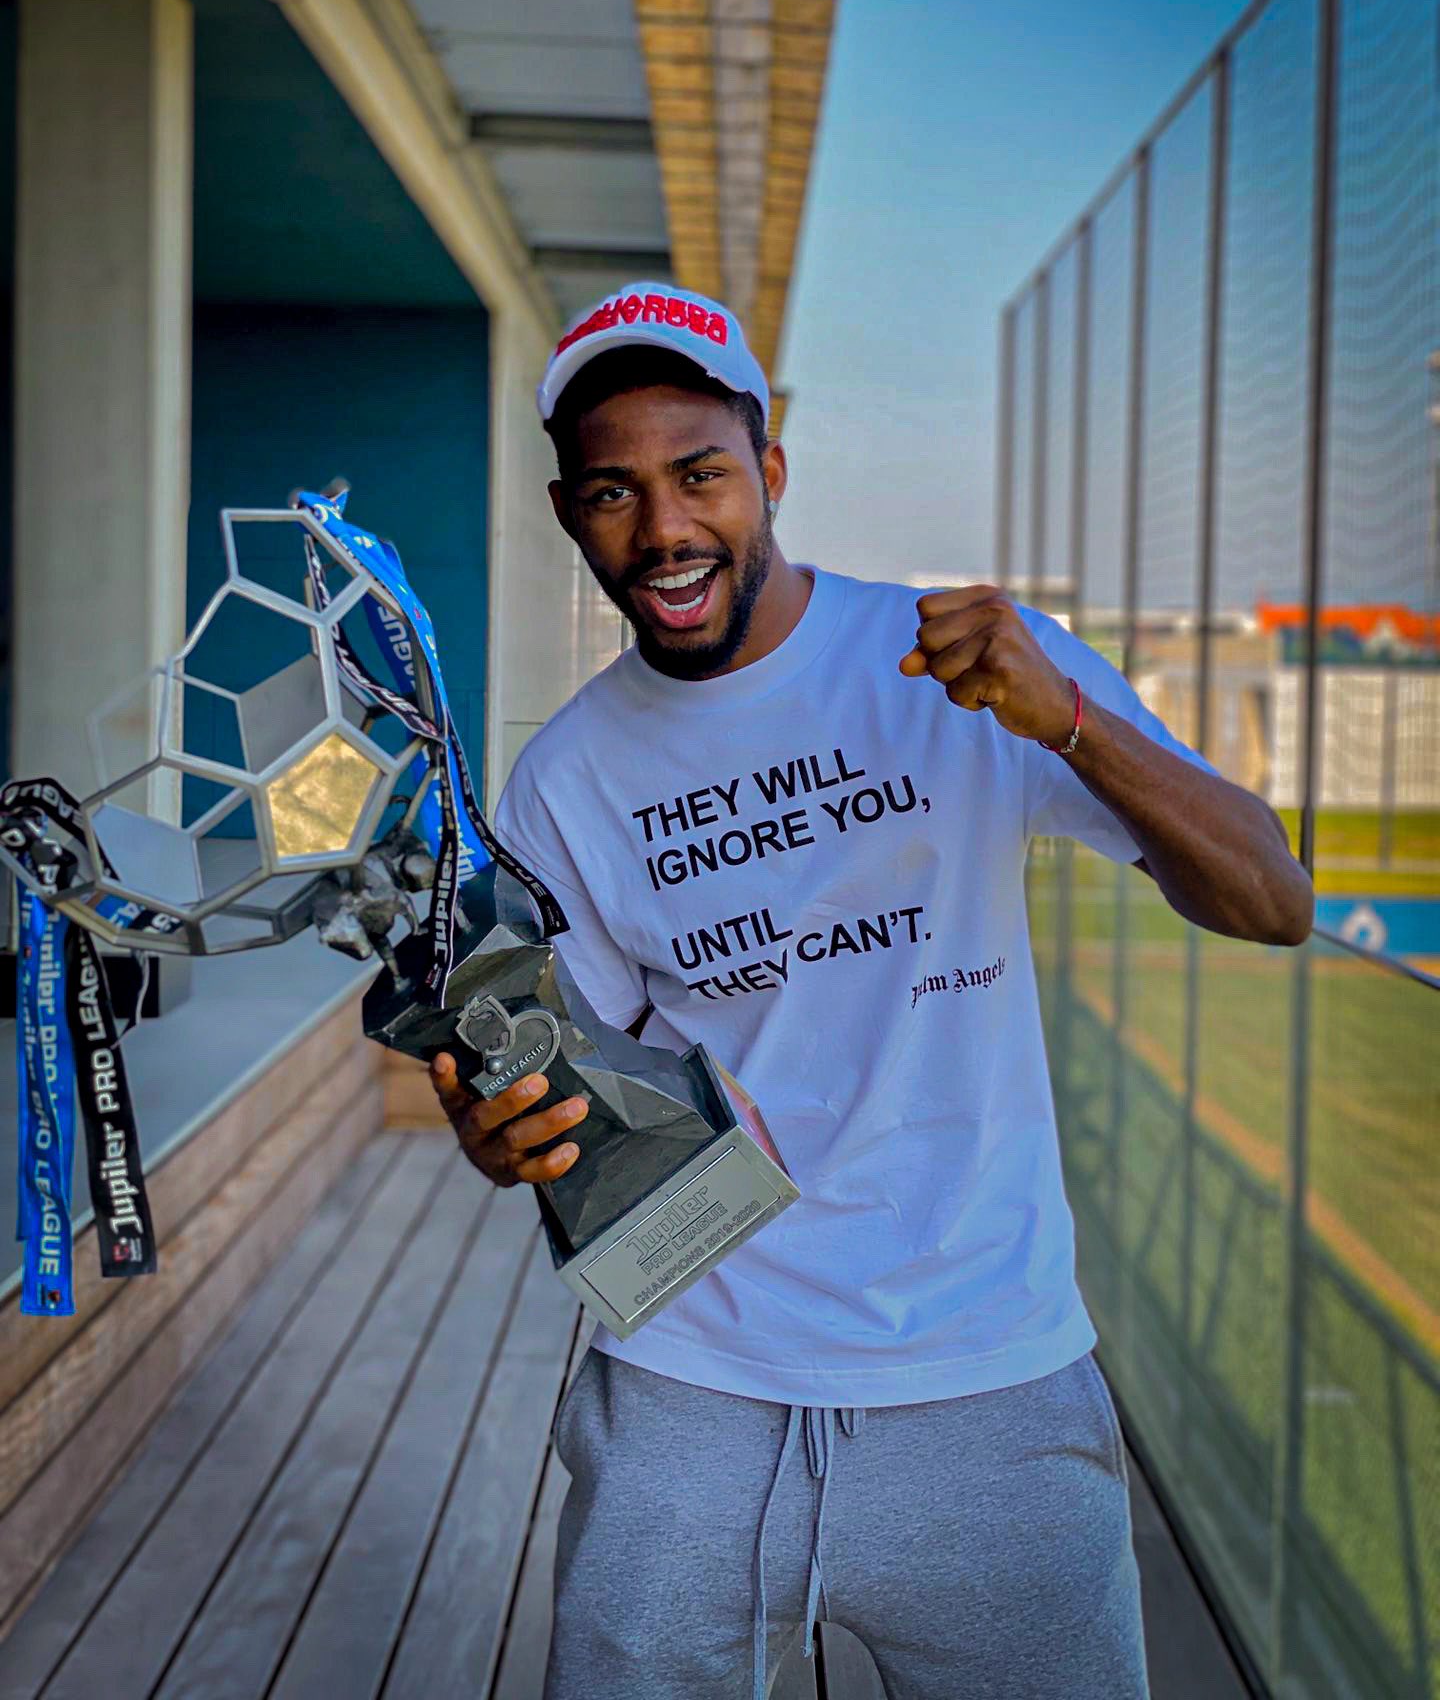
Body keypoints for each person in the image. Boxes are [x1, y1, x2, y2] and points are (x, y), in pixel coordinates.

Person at [427, 282, 1313, 1700]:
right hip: (690, 1386)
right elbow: (565, 1089)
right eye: (612, 492)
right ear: (565, 514)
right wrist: (502, 1133)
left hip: (991, 1382)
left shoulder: (963, 662)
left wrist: (1071, 725)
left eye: (701, 474)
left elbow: (1272, 899)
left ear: (771, 470)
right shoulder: (563, 780)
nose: (663, 530)